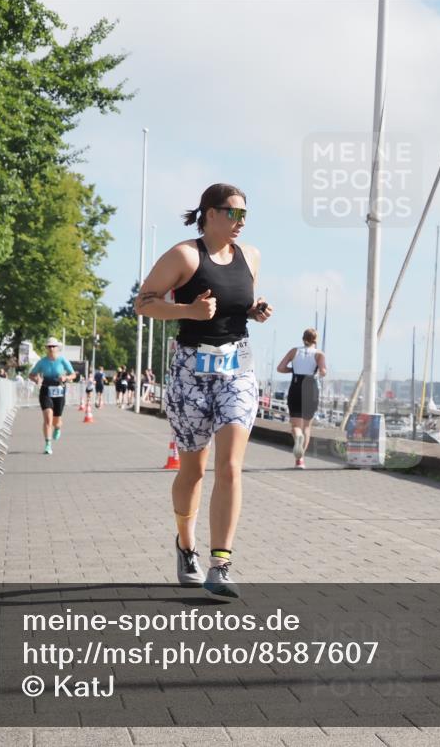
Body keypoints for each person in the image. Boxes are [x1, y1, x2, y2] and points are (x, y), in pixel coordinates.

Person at [134, 183, 273, 599]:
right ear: (209, 214)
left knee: (229, 467)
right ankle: (185, 545)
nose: (240, 222)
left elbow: (238, 304)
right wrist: (188, 311)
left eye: (245, 214)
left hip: (238, 370)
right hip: (191, 370)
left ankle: (221, 563)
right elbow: (144, 303)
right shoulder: (185, 255)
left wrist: (254, 310)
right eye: (232, 213)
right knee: (192, 471)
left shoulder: (251, 256)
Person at [276, 328, 327, 468]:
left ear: (303, 338)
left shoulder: (294, 351)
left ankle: (297, 436)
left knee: (295, 425)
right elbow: (323, 372)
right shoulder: (319, 354)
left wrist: (293, 369)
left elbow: (280, 368)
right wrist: (318, 372)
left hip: (296, 385)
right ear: (315, 340)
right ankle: (300, 461)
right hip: (310, 387)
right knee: (307, 426)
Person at [28, 337, 76, 455]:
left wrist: (66, 378)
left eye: (53, 346)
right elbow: (31, 375)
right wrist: (37, 380)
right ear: (46, 348)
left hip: (59, 391)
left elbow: (73, 374)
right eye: (49, 346)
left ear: (57, 348)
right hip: (45, 390)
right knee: (48, 418)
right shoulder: (42, 362)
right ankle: (48, 444)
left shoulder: (63, 360)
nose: (51, 348)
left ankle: (58, 428)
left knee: (56, 421)